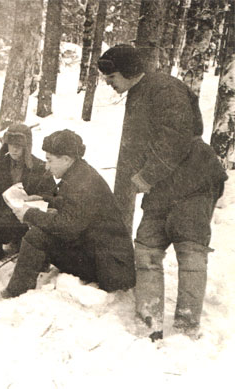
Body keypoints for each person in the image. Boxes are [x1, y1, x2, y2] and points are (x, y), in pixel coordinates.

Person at [98, 44, 228, 340]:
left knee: (190, 251)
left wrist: (146, 175)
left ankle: (185, 329)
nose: (108, 81)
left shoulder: (165, 90)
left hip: (194, 181)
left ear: (130, 71)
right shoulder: (137, 92)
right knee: (146, 250)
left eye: (112, 75)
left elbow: (176, 138)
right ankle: (149, 322)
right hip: (163, 186)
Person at [1, 129, 136, 298]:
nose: (47, 167)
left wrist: (30, 214)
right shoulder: (80, 173)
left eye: (49, 160)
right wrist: (45, 199)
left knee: (37, 236)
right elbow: (73, 207)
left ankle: (13, 293)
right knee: (45, 228)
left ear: (66, 159)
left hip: (110, 271)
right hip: (107, 261)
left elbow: (68, 227)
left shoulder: (82, 182)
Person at [0, 123, 56, 267]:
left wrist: (31, 208)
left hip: (29, 221)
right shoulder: (0, 165)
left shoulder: (39, 167)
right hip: (5, 218)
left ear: (26, 147)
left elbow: (50, 197)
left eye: (18, 146)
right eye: (11, 144)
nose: (13, 149)